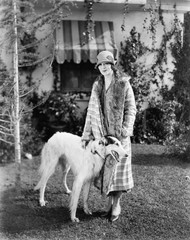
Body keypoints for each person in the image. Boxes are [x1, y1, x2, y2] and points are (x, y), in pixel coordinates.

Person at [81, 50, 137, 222]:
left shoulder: (123, 84)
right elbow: (91, 112)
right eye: (101, 64)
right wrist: (86, 135)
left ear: (113, 64)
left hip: (119, 138)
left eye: (107, 64)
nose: (104, 67)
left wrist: (125, 131)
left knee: (118, 173)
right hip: (103, 138)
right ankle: (111, 205)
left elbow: (131, 109)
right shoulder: (97, 85)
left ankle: (116, 205)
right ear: (98, 67)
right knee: (107, 173)